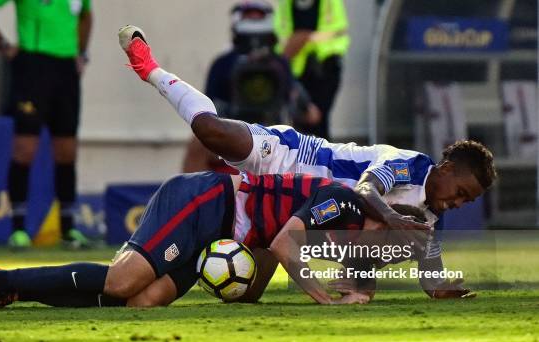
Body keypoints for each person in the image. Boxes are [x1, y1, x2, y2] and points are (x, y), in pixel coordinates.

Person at [117, 25, 497, 299]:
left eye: (468, 202)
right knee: (211, 132)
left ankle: (142, 275)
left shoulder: (428, 222)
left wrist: (438, 287)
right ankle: (150, 69)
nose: (458, 203)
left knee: (246, 293)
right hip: (293, 158)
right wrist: (394, 218)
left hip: (289, 211)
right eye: (461, 192)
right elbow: (366, 189)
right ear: (446, 169)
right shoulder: (410, 165)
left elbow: (398, 264)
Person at [0, 170, 403, 310]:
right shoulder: (344, 204)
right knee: (122, 281)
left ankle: (11, 293)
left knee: (139, 301)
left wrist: (242, 286)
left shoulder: (339, 229)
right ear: (382, 223)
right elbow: (285, 245)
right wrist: (327, 301)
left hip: (220, 236)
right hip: (204, 200)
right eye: (380, 250)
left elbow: (268, 248)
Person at [0, 0, 93, 249]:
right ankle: (18, 230)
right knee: (25, 149)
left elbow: (86, 16)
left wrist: (81, 53)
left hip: (66, 70)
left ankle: (68, 229)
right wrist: (3, 43)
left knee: (66, 151)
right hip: (32, 67)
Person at [183, 0, 320, 174]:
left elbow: (309, 112)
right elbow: (208, 112)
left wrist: (301, 109)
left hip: (275, 134)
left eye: (257, 16)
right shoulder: (223, 64)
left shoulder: (280, 64)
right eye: (250, 16)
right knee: (197, 145)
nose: (254, 20)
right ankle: (190, 198)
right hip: (232, 133)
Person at [273, 0, 350, 140]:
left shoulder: (330, 3)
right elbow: (281, 39)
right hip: (295, 70)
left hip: (324, 69)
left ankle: (321, 158)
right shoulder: (286, 4)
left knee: (317, 120)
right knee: (301, 122)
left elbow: (337, 30)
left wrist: (304, 38)